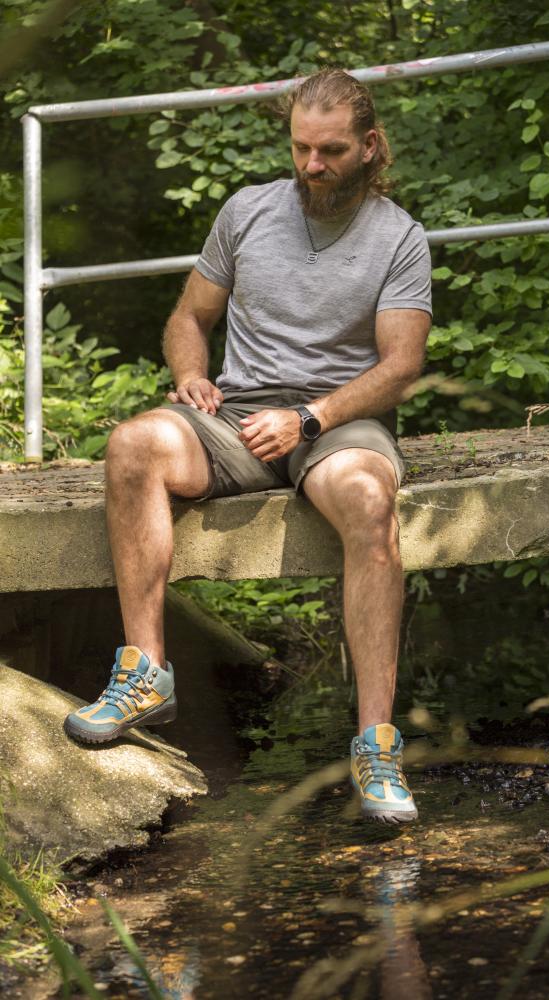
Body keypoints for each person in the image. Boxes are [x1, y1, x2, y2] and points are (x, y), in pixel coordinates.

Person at [64, 68, 432, 824]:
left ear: (368, 146)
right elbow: (188, 316)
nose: (310, 165)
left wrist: (311, 419)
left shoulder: (399, 236)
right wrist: (192, 375)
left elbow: (399, 367)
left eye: (329, 150)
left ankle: (375, 745)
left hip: (338, 424)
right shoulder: (248, 211)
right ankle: (145, 674)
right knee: (133, 445)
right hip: (236, 417)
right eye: (300, 147)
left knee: (368, 502)